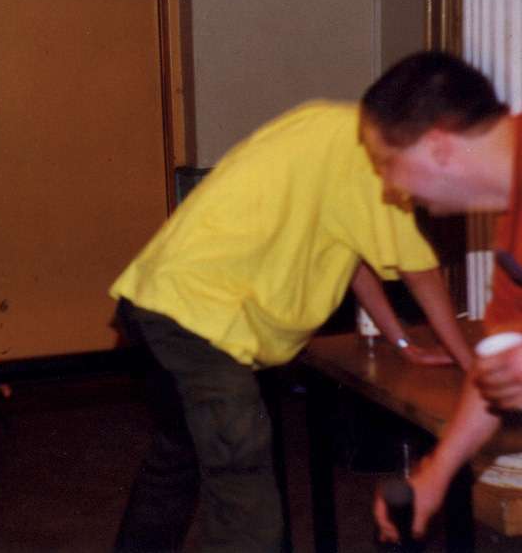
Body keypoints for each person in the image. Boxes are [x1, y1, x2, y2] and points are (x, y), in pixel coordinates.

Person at [108, 91, 476, 549]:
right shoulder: (374, 162)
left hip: (155, 300)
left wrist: (401, 341)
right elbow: (420, 273)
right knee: (241, 470)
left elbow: (352, 256)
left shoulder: (328, 124)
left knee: (181, 453)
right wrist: (471, 363)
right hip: (201, 321)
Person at [362, 51, 521, 543]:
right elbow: (497, 361)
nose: (389, 188)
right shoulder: (511, 223)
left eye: (387, 164)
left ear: (437, 146)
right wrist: (435, 473)